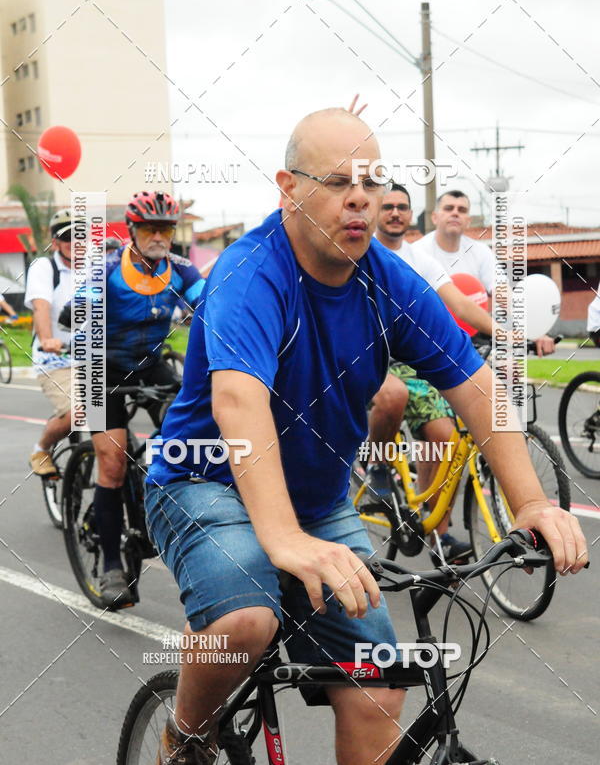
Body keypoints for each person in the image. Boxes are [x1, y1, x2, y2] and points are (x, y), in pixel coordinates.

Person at [145, 108, 587, 765]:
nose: (361, 196)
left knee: (378, 685)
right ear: (288, 188)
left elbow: (476, 387)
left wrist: (529, 502)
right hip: (203, 484)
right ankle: (186, 736)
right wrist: (284, 537)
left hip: (320, 503)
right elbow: (238, 400)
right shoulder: (249, 274)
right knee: (246, 622)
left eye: (374, 181)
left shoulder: (388, 281)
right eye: (338, 180)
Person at [60, 190, 204, 609]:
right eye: (150, 228)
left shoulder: (180, 269)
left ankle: (162, 502)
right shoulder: (106, 269)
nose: (159, 236)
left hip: (149, 363)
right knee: (113, 460)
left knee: (190, 431)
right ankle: (109, 565)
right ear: (133, 231)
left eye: (166, 228)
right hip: (98, 367)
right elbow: (75, 312)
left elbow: (211, 306)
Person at [368, 183, 509, 562]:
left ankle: (436, 534)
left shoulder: (421, 261)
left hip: (413, 363)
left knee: (445, 438)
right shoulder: (363, 254)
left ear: (411, 216)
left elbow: (461, 305)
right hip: (368, 358)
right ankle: (377, 466)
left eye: (402, 207)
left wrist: (508, 333)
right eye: (388, 206)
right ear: (376, 212)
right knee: (392, 396)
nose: (395, 213)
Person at [24, 209, 74, 477]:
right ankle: (41, 448)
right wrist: (47, 340)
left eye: (80, 235)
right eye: (67, 237)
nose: (74, 242)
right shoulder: (45, 268)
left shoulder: (95, 269)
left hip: (93, 356)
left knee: (115, 412)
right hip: (55, 358)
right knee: (78, 413)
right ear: (55, 243)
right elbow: (41, 308)